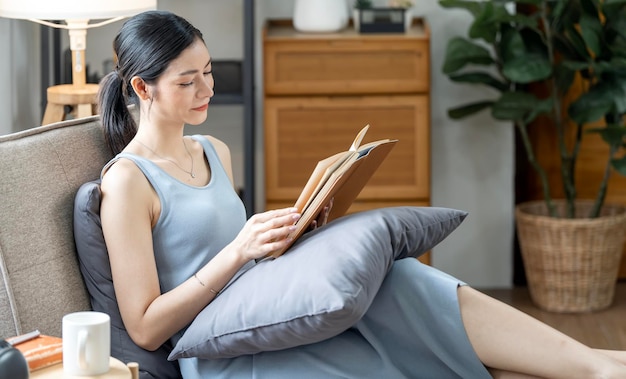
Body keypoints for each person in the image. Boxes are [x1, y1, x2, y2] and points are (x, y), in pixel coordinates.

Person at [95, 10, 626, 379]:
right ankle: (596, 364)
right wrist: (240, 250)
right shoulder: (128, 182)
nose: (207, 90)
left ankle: (594, 363)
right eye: (189, 81)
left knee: (392, 273)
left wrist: (298, 229)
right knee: (410, 323)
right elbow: (144, 327)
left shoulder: (212, 149)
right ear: (143, 88)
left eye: (208, 72)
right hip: (223, 350)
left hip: (262, 305)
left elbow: (241, 255)